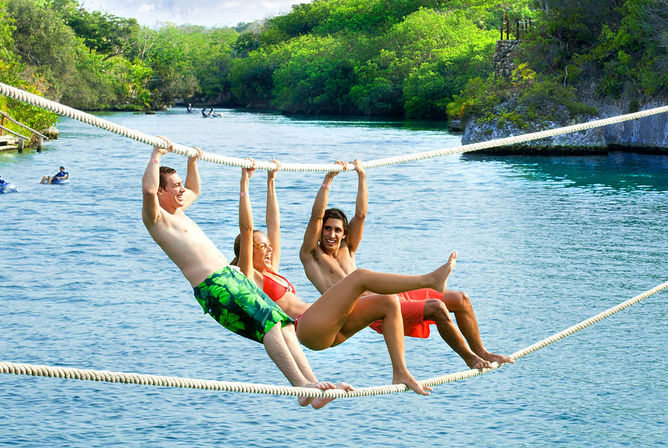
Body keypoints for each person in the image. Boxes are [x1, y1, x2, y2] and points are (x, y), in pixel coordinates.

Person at [141, 136, 352, 409]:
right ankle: (301, 387)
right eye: (175, 186)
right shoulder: (157, 218)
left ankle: (313, 386)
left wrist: (192, 161)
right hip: (214, 286)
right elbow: (147, 192)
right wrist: (155, 155)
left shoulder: (179, 209)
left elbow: (195, 189)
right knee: (269, 323)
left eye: (181, 184)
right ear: (160, 191)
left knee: (284, 322)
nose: (182, 190)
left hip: (233, 279)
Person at [234, 159, 459, 395]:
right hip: (308, 328)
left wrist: (271, 181)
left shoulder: (273, 269)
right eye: (261, 247)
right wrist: (245, 182)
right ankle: (429, 280)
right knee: (360, 277)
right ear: (247, 252)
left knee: (388, 301)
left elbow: (275, 224)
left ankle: (400, 371)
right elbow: (248, 229)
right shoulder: (249, 274)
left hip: (334, 326)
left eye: (269, 246)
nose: (269, 249)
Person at [300, 160, 514, 370]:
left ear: (344, 233)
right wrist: (328, 180)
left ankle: (482, 351)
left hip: (390, 294)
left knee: (461, 299)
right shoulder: (312, 255)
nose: (331, 234)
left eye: (337, 230)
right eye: (327, 229)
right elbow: (316, 216)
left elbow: (361, 215)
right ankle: (470, 358)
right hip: (371, 308)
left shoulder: (348, 249)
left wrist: (362, 176)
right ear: (320, 232)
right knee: (437, 308)